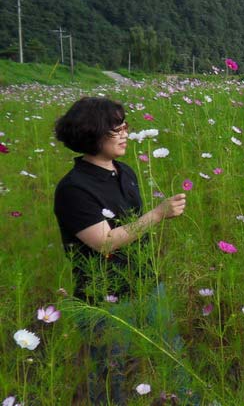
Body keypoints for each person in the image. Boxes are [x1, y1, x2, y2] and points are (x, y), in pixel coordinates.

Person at [54, 96, 188, 404]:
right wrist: (157, 214)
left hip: (147, 284)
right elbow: (104, 242)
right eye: (117, 127)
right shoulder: (73, 188)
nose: (126, 132)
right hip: (106, 299)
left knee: (172, 358)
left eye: (125, 124)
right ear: (92, 132)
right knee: (110, 375)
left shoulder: (124, 171)